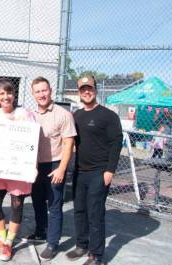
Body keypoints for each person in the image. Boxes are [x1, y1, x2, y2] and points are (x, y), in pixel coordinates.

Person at [66, 75, 123, 265]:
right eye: (83, 89)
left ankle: (96, 254)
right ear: (79, 93)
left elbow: (116, 144)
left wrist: (110, 171)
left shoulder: (108, 116)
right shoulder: (76, 115)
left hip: (99, 173)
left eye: (89, 88)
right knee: (79, 211)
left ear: (95, 90)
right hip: (79, 172)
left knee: (95, 213)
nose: (86, 92)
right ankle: (82, 244)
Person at [0, 79, 35, 261]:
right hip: (0, 169)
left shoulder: (25, 114)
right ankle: (2, 238)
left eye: (9, 93)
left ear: (14, 95)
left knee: (16, 206)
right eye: (1, 94)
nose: (6, 96)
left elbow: (32, 141)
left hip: (18, 170)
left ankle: (9, 243)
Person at [28, 77, 77, 261]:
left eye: (44, 90)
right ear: (33, 94)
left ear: (50, 91)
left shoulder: (62, 114)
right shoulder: (31, 114)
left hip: (55, 165)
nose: (41, 94)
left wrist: (62, 169)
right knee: (37, 201)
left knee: (54, 206)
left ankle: (52, 243)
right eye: (38, 91)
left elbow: (69, 143)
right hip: (35, 166)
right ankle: (41, 231)